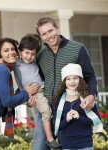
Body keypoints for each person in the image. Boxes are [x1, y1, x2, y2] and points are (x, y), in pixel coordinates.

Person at [32, 17, 98, 150]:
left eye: (50, 30)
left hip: (69, 107)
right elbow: (33, 78)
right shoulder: (40, 56)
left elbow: (90, 76)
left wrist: (91, 95)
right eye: (44, 34)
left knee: (65, 146)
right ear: (40, 36)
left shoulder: (77, 48)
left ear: (57, 28)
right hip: (46, 109)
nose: (49, 36)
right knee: (39, 147)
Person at [14, 33, 61, 149]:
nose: (29, 57)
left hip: (45, 89)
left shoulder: (35, 61)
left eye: (32, 54)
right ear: (20, 51)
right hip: (36, 93)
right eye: (26, 53)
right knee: (46, 112)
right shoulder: (16, 64)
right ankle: (50, 139)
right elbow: (3, 59)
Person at [53, 63, 103, 150]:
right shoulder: (59, 100)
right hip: (67, 144)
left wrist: (79, 117)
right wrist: (66, 120)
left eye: (75, 78)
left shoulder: (87, 98)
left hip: (85, 143)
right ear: (64, 81)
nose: (72, 81)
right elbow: (58, 126)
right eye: (68, 79)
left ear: (80, 79)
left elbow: (94, 121)